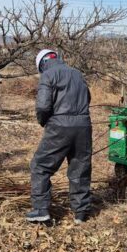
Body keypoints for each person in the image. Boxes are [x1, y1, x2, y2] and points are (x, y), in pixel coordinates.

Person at [27, 49, 93, 224]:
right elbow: (88, 97)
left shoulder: (48, 75)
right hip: (84, 125)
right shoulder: (77, 73)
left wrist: (44, 122)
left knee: (40, 166)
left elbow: (42, 106)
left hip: (59, 126)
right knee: (80, 168)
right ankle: (81, 213)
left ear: (42, 64)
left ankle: (41, 209)